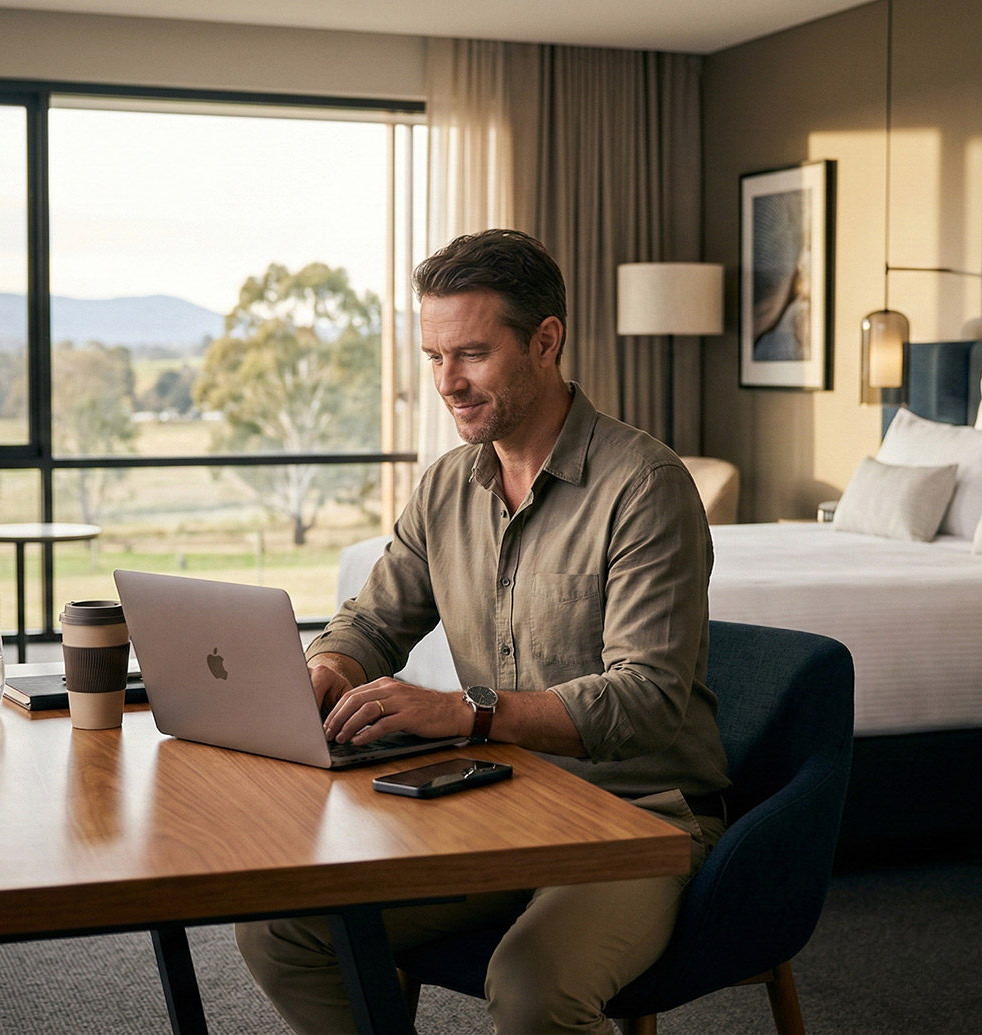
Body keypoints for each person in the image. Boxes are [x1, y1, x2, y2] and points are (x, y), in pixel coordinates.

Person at [235, 229, 726, 1035]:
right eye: (434, 357)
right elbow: (372, 618)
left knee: (531, 988)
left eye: (470, 353)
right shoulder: (446, 487)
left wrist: (468, 711)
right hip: (495, 803)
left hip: (636, 818)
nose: (447, 382)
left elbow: (644, 702)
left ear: (546, 341)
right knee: (284, 926)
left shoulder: (645, 487)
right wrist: (329, 665)